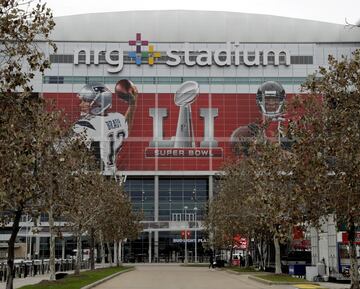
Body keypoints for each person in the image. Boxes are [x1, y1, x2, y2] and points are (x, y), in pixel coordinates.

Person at [72, 80, 138, 175]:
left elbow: (61, 151)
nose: (81, 104)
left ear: (99, 104)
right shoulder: (118, 118)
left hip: (92, 178)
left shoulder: (84, 125)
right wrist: (132, 105)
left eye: (86, 101)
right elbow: (126, 125)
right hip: (111, 176)